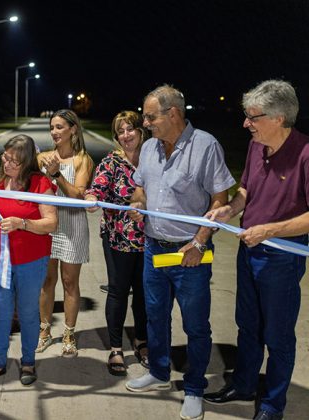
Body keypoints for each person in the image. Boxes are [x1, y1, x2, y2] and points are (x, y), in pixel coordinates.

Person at [124, 85, 234, 420]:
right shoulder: (149, 148)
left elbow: (220, 200)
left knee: (196, 325)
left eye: (150, 117)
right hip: (153, 249)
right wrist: (138, 204)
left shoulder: (205, 146)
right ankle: (159, 372)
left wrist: (199, 242)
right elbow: (140, 188)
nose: (145, 123)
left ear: (173, 113)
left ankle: (195, 388)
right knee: (155, 317)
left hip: (191, 254)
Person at [203, 80, 309, 420]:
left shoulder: (305, 154)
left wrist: (269, 230)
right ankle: (244, 385)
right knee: (247, 325)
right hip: (249, 250)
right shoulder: (256, 147)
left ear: (278, 118)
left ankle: (272, 406)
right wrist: (229, 210)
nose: (245, 123)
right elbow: (246, 190)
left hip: (282, 257)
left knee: (278, 335)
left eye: (253, 117)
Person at [0, 134, 57, 387]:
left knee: (27, 311)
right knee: (0, 311)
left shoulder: (40, 183)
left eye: (14, 161)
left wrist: (23, 223)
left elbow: (51, 223)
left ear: (27, 162)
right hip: (0, 258)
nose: (7, 163)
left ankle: (28, 361)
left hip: (31, 260)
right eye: (6, 157)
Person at [84, 110, 149, 375]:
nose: (125, 135)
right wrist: (91, 199)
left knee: (144, 293)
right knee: (118, 291)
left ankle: (142, 341)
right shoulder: (111, 162)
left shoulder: (154, 158)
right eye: (120, 131)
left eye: (130, 129)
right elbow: (97, 188)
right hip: (118, 238)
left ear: (141, 131)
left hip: (150, 239)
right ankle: (115, 348)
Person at [36, 109, 93, 357]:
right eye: (52, 127)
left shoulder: (82, 160)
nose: (54, 132)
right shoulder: (43, 158)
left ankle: (69, 334)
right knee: (46, 281)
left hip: (72, 225)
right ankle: (44, 331)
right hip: (48, 225)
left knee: (70, 282)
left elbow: (77, 195)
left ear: (73, 129)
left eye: (59, 127)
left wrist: (56, 174)